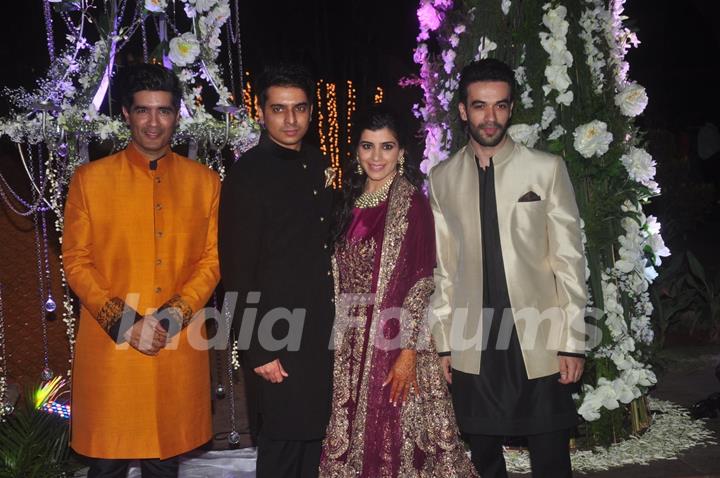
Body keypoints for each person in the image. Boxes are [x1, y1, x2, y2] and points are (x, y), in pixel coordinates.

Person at [428, 58, 588, 478]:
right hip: (472, 338)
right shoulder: (441, 178)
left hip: (538, 332)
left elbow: (570, 261)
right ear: (463, 110)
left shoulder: (546, 169)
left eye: (500, 105)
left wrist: (572, 340)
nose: (490, 116)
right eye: (480, 105)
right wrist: (444, 342)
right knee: (480, 456)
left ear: (511, 108)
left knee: (551, 453)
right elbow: (443, 268)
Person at [63, 64, 220, 477]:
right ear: (126, 115)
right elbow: (76, 262)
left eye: (164, 111)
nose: (154, 122)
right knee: (106, 464)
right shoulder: (89, 180)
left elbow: (213, 260)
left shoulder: (205, 183)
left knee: (165, 465)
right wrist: (124, 321)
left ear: (177, 116)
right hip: (111, 349)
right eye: (143, 111)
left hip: (176, 344)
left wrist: (171, 316)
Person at [318, 106, 477, 477]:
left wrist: (407, 352)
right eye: (367, 146)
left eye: (386, 147)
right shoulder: (345, 202)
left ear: (401, 152)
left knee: (391, 436)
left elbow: (423, 280)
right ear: (356, 151)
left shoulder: (411, 203)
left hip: (395, 339)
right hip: (349, 342)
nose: (377, 157)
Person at [218, 63, 334, 478]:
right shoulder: (247, 173)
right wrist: (257, 347)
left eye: (300, 108)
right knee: (283, 446)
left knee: (318, 446)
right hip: (277, 338)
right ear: (262, 112)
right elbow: (236, 269)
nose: (290, 119)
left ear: (311, 111)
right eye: (279, 109)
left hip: (323, 332)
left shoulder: (320, 164)